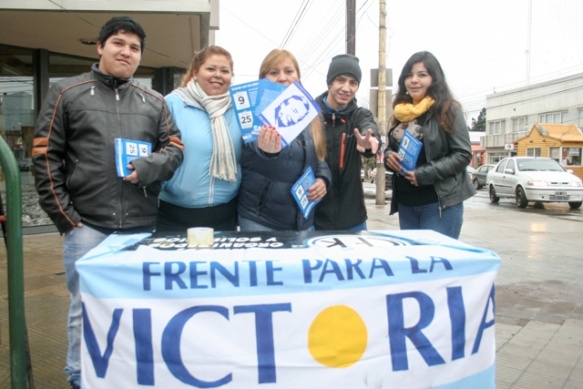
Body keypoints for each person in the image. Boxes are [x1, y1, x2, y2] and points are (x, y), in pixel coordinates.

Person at [31, 16, 184, 389]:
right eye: (118, 43)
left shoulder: (154, 101)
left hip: (141, 228)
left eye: (134, 48)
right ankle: (80, 377)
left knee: (138, 309)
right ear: (100, 47)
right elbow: (43, 155)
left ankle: (129, 375)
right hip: (88, 228)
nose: (126, 52)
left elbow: (176, 150)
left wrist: (149, 167)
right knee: (85, 310)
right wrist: (66, 217)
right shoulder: (67, 92)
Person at [383, 51, 475, 239]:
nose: (414, 80)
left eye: (422, 75)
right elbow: (390, 147)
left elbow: (463, 154)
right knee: (414, 264)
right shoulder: (400, 112)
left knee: (435, 264)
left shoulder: (448, 110)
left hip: (438, 204)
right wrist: (387, 157)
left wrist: (424, 174)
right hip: (406, 203)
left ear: (434, 79)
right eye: (409, 75)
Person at [237, 49, 331, 231]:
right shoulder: (251, 111)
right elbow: (252, 147)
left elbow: (319, 157)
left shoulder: (311, 114)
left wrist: (323, 179)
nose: (282, 78)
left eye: (289, 71)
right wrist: (267, 151)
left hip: (303, 220)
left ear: (298, 76)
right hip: (260, 221)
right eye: (274, 72)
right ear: (263, 78)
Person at [157, 46, 242, 232]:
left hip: (225, 215)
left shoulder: (240, 108)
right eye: (211, 69)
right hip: (173, 214)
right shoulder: (172, 103)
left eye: (225, 71)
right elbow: (157, 150)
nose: (218, 75)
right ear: (195, 72)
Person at [314, 54, 380, 231]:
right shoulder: (309, 115)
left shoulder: (360, 115)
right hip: (314, 218)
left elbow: (369, 128)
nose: (346, 88)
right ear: (329, 83)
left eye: (353, 83)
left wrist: (369, 142)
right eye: (340, 80)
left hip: (353, 219)